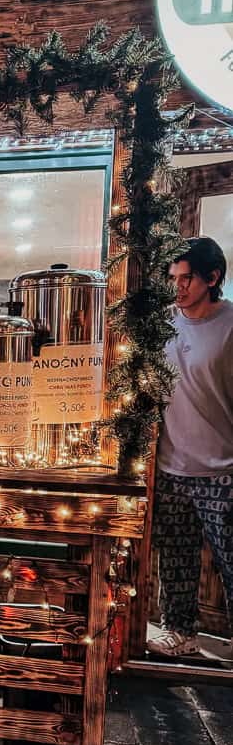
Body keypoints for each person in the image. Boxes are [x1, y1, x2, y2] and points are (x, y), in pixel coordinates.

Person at [149, 236, 233, 657]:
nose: (178, 287)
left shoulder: (231, 325)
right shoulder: (161, 325)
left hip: (223, 469)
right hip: (171, 466)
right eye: (173, 278)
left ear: (213, 277)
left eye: (187, 278)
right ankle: (180, 632)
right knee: (176, 559)